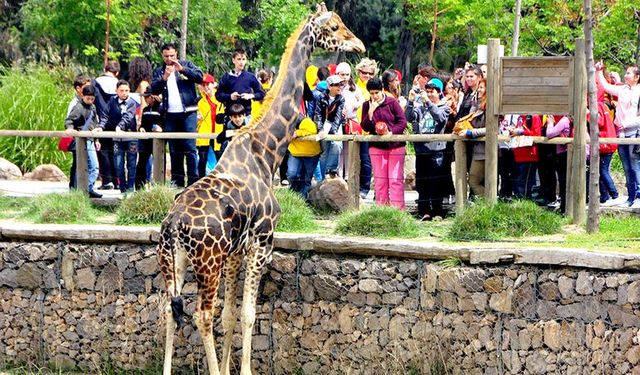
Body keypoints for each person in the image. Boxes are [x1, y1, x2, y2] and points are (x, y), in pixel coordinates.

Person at [151, 42, 204, 187]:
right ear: (162, 56)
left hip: (188, 112)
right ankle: (177, 181)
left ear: (177, 55)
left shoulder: (186, 64)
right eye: (166, 56)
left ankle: (194, 181)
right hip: (170, 114)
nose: (169, 59)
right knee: (174, 149)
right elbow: (153, 90)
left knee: (190, 147)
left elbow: (200, 77)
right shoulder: (159, 71)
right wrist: (164, 78)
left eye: (172, 56)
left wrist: (183, 70)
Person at [596, 61, 640, 208]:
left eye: (628, 73)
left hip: (634, 132)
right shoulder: (623, 90)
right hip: (621, 134)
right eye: (626, 73)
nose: (625, 75)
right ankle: (631, 196)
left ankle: (639, 196)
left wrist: (627, 124)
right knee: (627, 167)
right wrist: (599, 71)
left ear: (637, 77)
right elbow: (605, 86)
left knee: (635, 166)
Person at [406, 78, 450, 220]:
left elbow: (440, 118)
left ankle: (437, 212)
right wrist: (411, 102)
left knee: (436, 183)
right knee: (423, 183)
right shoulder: (420, 107)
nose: (430, 94)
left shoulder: (444, 107)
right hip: (421, 149)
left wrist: (428, 102)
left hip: (437, 150)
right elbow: (408, 117)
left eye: (432, 92)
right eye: (428, 92)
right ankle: (424, 211)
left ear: (439, 92)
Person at [361, 77, 408, 210]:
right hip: (377, 147)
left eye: (377, 92)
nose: (374, 96)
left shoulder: (392, 103)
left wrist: (391, 132)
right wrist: (370, 112)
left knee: (395, 180)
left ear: (382, 90)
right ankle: (382, 210)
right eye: (372, 93)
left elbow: (402, 122)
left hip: (395, 146)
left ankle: (398, 210)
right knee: (380, 180)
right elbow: (365, 127)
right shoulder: (366, 105)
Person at [95, 80, 138, 193]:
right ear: (116, 91)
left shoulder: (132, 102)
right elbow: (105, 115)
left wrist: (120, 126)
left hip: (131, 137)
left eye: (126, 90)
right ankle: (122, 189)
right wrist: (101, 127)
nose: (124, 93)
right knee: (118, 164)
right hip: (117, 138)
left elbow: (128, 117)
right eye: (121, 90)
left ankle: (130, 188)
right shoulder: (112, 101)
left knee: (131, 164)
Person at [64, 85, 102, 198]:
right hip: (81, 140)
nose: (90, 101)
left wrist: (97, 139)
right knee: (88, 167)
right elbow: (69, 120)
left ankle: (86, 188)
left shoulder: (93, 107)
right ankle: (85, 189)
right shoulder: (78, 107)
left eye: (92, 99)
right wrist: (70, 129)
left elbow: (95, 123)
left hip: (90, 139)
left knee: (93, 167)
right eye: (88, 98)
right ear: (83, 96)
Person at [215, 48, 266, 120]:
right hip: (230, 117)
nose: (241, 62)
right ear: (233, 60)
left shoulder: (250, 77)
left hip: (246, 116)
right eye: (239, 59)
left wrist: (251, 96)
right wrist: (230, 97)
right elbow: (218, 95)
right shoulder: (226, 77)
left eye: (243, 59)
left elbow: (262, 94)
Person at [457, 78, 487, 197]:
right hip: (477, 149)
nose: (478, 90)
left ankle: (491, 204)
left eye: (481, 87)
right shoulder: (478, 105)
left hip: (484, 150)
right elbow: (470, 118)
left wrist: (470, 133)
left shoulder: (489, 107)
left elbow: (491, 129)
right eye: (478, 87)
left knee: (473, 181)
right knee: (476, 181)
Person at [93, 60, 120, 190]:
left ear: (105, 69)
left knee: (103, 151)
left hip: (100, 123)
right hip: (117, 124)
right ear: (117, 72)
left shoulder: (95, 83)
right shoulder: (120, 85)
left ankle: (106, 181)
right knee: (116, 152)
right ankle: (118, 181)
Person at [354, 58, 378, 198]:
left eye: (371, 73)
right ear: (359, 72)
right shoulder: (354, 87)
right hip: (354, 128)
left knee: (367, 160)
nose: (367, 76)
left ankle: (365, 188)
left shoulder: (374, 89)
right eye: (365, 72)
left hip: (369, 129)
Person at [314, 74, 346, 179]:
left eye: (341, 84)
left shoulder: (341, 99)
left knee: (337, 145)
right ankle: (322, 178)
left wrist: (334, 130)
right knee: (324, 152)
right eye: (336, 85)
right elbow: (318, 114)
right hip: (323, 124)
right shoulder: (320, 97)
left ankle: (331, 169)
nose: (339, 87)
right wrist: (320, 129)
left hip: (335, 124)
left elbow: (338, 116)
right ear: (329, 87)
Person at [287, 116, 321, 200]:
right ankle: (293, 194)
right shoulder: (284, 122)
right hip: (295, 152)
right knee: (292, 174)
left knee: (306, 179)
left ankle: (301, 201)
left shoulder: (306, 121)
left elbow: (312, 129)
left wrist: (297, 133)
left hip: (311, 154)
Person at [136, 88, 163, 190]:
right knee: (142, 162)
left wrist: (161, 128)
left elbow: (164, 123)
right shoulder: (146, 110)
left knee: (159, 162)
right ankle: (139, 186)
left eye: (147, 97)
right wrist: (141, 128)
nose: (146, 99)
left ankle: (159, 185)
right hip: (146, 139)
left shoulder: (161, 109)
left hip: (158, 140)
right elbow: (143, 124)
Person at [196, 74, 218, 178]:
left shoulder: (220, 98)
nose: (206, 87)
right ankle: (200, 179)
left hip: (218, 132)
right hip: (205, 133)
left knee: (219, 157)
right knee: (202, 158)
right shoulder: (200, 102)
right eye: (203, 85)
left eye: (208, 84)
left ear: (213, 84)